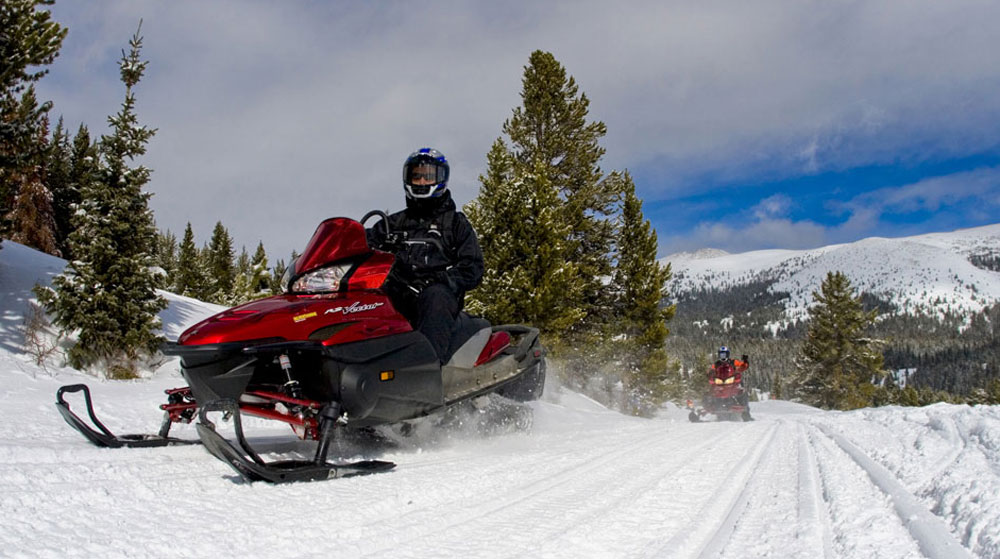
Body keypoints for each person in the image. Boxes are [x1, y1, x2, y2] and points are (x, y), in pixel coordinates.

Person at [366, 148, 484, 363]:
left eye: (427, 176)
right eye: (416, 176)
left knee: (435, 297)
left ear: (440, 179)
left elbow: (473, 268)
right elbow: (360, 245)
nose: (421, 181)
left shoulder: (455, 224)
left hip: (436, 295)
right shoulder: (391, 224)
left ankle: (427, 372)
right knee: (362, 301)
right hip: (398, 290)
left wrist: (442, 279)